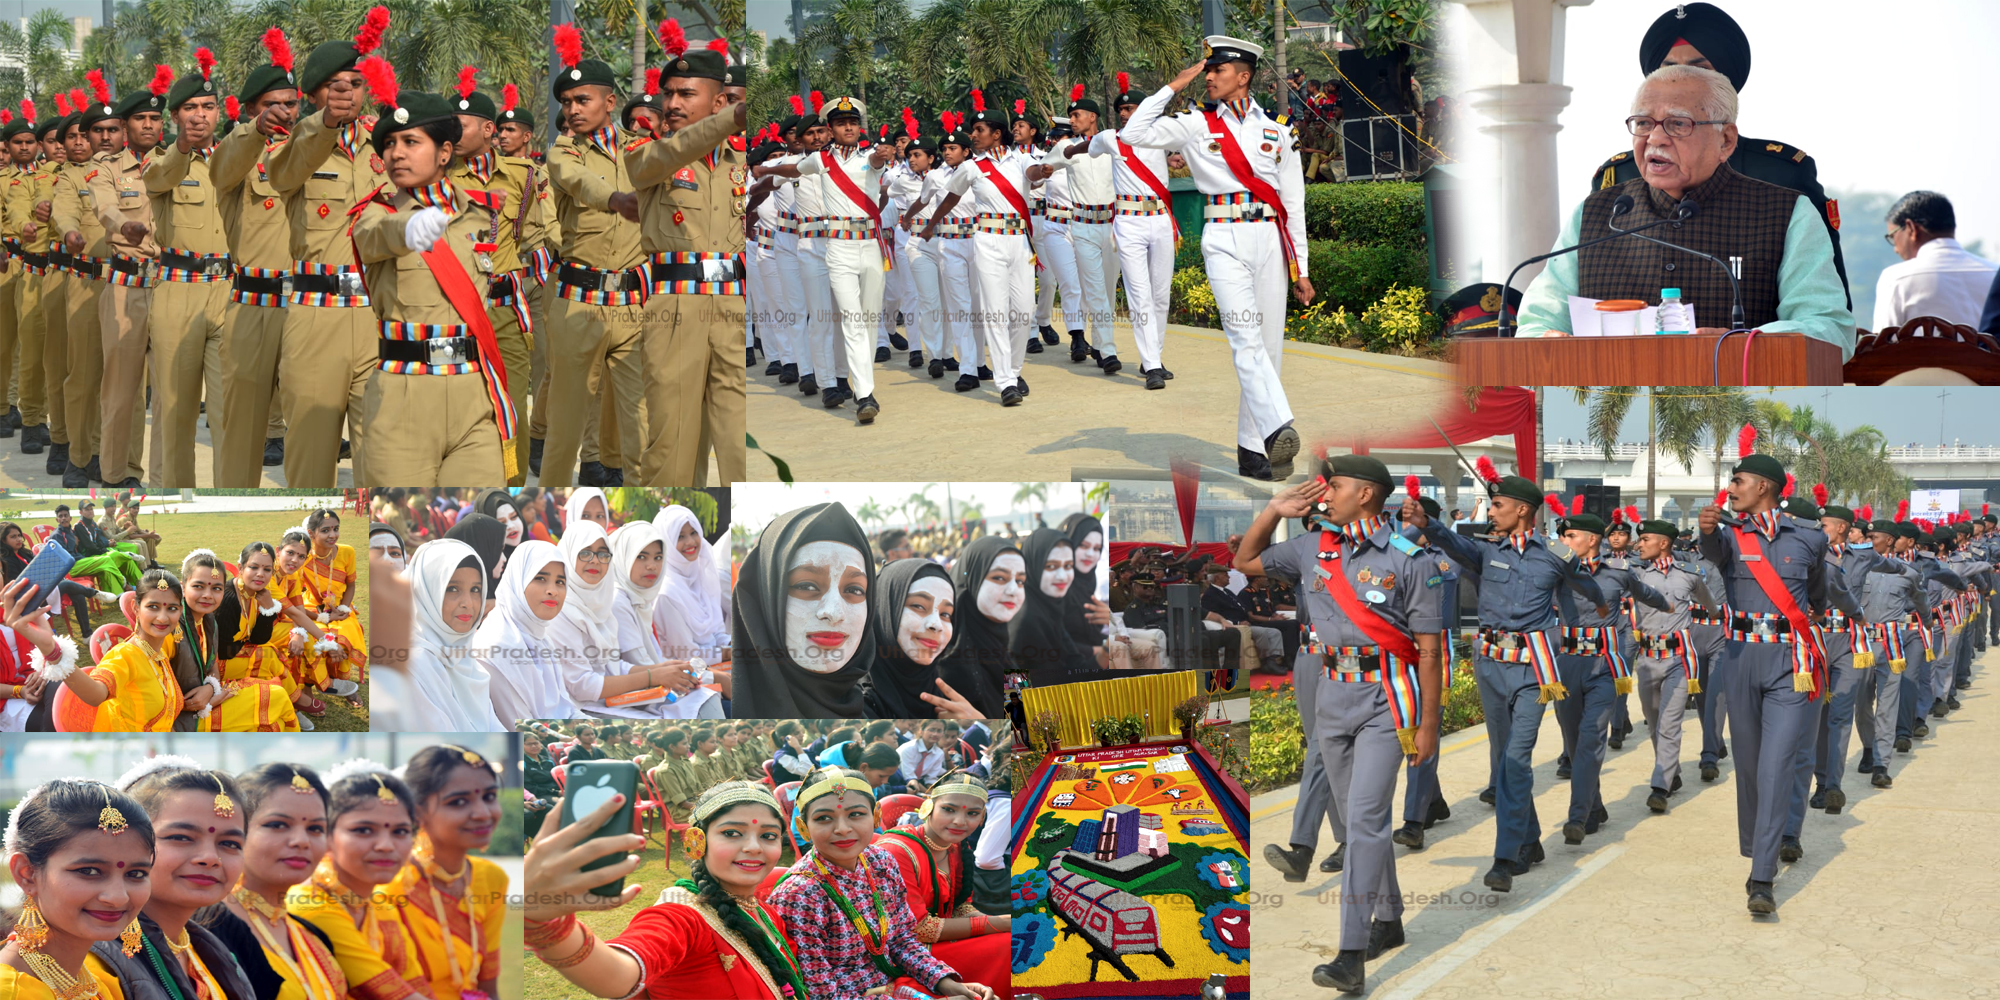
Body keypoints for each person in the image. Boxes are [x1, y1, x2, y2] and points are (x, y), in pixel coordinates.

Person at [1236, 458, 1444, 994]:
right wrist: (1273, 510)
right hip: (1332, 694)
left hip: (1386, 700)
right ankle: (1391, 918)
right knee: (1357, 825)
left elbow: (1429, 650)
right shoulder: (1312, 546)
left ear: (1368, 494)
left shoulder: (1410, 560)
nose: (1325, 492)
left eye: (1338, 485)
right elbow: (1246, 560)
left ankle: (1351, 954)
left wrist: (1428, 725)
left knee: (1368, 819)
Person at [1517, 64, 1852, 351]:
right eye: (1644, 123)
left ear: (1726, 141)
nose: (1655, 139)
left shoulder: (1785, 213)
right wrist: (1549, 342)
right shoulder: (1597, 214)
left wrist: (1746, 344)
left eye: (1678, 124)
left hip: (1741, 419)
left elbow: (1830, 331)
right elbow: (1536, 325)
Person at [1404, 467, 1605, 893]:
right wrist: (1428, 524)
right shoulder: (1485, 551)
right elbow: (1453, 543)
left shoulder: (1554, 554)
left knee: (1516, 761)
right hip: (1491, 666)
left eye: (1497, 506)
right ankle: (1529, 841)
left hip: (1534, 672)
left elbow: (1591, 588)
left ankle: (1505, 856)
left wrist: (1605, 613)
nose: (1491, 512)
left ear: (1522, 510)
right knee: (1504, 761)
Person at [1117, 40, 1308, 478]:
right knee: (1245, 338)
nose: (1208, 76)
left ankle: (1253, 450)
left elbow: (1293, 202)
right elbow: (1134, 133)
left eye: (1217, 70)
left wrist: (1303, 268)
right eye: (1206, 71)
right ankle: (1279, 425)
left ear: (1243, 76)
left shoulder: (1279, 129)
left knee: (1269, 349)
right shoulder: (1195, 123)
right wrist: (1174, 84)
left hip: (1270, 238)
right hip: (1223, 238)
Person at [1587, 3, 1851, 308]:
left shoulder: (1781, 173)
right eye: (1668, 69)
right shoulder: (1619, 178)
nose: (1681, 78)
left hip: (1748, 353)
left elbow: (1824, 313)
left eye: (1699, 69)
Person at [1695, 429, 1857, 914]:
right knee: (1747, 766)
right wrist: (1705, 529)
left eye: (1738, 480)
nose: (1732, 488)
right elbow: (1711, 554)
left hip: (1792, 665)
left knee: (1775, 765)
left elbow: (1816, 595)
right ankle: (1758, 845)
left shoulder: (1808, 539)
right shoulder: (1727, 534)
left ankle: (1761, 875)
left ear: (1764, 486)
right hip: (1741, 660)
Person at [525, 781, 809, 999]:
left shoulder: (764, 911)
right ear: (697, 841)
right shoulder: (681, 917)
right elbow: (618, 975)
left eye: (768, 836)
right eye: (732, 833)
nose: (754, 847)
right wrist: (545, 924)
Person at [267, 11, 394, 486]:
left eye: (356, 84)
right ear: (315, 93)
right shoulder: (299, 140)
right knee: (311, 457)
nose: (347, 93)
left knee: (380, 455)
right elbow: (283, 175)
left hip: (378, 312)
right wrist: (323, 124)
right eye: (335, 85)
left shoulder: (387, 146)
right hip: (318, 315)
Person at [766, 768, 994, 1000]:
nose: (843, 828)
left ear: (875, 816)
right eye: (823, 818)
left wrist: (945, 982)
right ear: (803, 827)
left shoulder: (880, 861)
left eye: (856, 814)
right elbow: (819, 993)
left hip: (894, 984)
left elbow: (902, 939)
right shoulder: (800, 894)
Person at [631, 34, 747, 481]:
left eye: (686, 93)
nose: (673, 102)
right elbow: (671, 153)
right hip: (676, 307)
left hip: (733, 305)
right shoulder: (649, 150)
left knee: (737, 438)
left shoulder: (740, 158)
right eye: (669, 93)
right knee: (674, 442)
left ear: (718, 99)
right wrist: (728, 121)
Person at [543, 27, 645, 487]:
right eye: (566, 102)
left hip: (634, 306)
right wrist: (617, 200)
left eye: (582, 100)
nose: (572, 109)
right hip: (578, 304)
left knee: (641, 425)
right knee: (565, 428)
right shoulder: (563, 151)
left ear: (609, 101)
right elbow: (581, 182)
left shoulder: (641, 150)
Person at [212, 28, 302, 486]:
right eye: (273, 104)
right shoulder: (239, 154)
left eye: (292, 102)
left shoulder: (313, 150)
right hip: (255, 303)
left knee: (312, 430)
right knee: (242, 431)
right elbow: (223, 167)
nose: (285, 112)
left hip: (311, 304)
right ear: (251, 110)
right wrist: (253, 132)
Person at [1547, 507, 1669, 843]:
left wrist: (1668, 605)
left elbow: (1646, 594)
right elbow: (1541, 550)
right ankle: (1595, 805)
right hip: (1567, 663)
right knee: (1573, 742)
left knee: (1590, 739)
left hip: (1604, 665)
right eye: (1563, 536)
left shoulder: (1618, 571)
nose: (1564, 541)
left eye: (1570, 536)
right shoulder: (1559, 570)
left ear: (1591, 540)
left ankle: (1577, 815)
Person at [91, 758, 258, 1000]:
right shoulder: (94, 963)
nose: (210, 858)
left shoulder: (212, 953)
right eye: (181, 837)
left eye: (230, 843)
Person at [285, 761, 432, 1000]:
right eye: (364, 830)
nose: (385, 846)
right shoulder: (310, 905)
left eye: (401, 831)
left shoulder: (381, 908)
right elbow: (394, 994)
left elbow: (416, 986)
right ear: (327, 835)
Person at [0, 779, 157, 1000]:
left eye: (136, 874)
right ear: (27, 873)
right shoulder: (10, 991)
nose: (118, 897)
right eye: (89, 871)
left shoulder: (101, 986)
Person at [731, 503, 876, 718]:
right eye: (807, 586)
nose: (834, 612)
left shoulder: (871, 713)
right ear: (766, 598)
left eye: (854, 589)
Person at [385, 745, 506, 1000]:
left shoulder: (491, 878)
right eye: (459, 802)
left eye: (490, 796)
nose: (483, 813)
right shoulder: (389, 886)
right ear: (417, 812)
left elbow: (488, 984)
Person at [875, 773, 1011, 997]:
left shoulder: (954, 846)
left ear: (983, 816)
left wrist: (994, 924)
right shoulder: (897, 851)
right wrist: (999, 923)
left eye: (973, 813)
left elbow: (960, 906)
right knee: (1007, 944)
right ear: (929, 806)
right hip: (903, 952)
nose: (960, 821)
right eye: (949, 809)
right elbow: (920, 929)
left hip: (934, 941)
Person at [1628, 519, 1715, 812]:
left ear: (1664, 543)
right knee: (1653, 721)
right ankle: (1671, 772)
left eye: (1645, 539)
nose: (1639, 544)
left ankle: (1659, 786)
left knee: (1669, 722)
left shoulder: (1689, 575)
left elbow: (1710, 605)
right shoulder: (1635, 574)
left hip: (1679, 660)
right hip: (1647, 660)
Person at [610, 521, 719, 718]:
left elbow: (656, 661)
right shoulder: (618, 600)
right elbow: (642, 665)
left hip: (657, 690)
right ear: (624, 557)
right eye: (641, 556)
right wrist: (709, 674)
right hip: (635, 698)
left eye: (658, 557)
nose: (652, 565)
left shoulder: (640, 598)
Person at [399, 537, 504, 730]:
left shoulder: (463, 654)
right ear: (425, 592)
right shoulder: (413, 664)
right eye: (452, 589)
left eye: (475, 590)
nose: (468, 603)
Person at [474, 538, 572, 727]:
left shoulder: (539, 635)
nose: (553, 590)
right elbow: (521, 727)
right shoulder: (497, 647)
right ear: (517, 581)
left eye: (560, 582)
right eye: (540, 578)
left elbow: (565, 707)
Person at [1873, 191, 1995, 331]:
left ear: (1911, 228)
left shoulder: (1896, 278)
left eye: (1893, 236)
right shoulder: (1994, 272)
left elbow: (1883, 346)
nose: (1895, 249)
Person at [860, 559, 961, 719]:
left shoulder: (940, 686)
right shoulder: (856, 702)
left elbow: (1016, 733)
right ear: (885, 607)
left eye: (946, 614)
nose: (936, 624)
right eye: (918, 606)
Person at [934, 536, 1023, 718]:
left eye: (1020, 581)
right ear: (972, 580)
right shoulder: (951, 664)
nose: (1013, 590)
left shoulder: (1001, 645)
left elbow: (1022, 720)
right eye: (999, 577)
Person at [1006, 527, 1096, 681]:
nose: (1062, 576)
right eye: (1051, 567)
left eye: (1068, 566)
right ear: (1032, 566)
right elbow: (1014, 697)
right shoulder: (1024, 621)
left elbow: (1075, 664)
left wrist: (1108, 650)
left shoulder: (1050, 608)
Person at [652, 504, 731, 663]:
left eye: (694, 533)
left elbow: (714, 633)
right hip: (688, 677)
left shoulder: (701, 576)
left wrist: (733, 644)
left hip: (713, 667)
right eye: (680, 536)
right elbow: (688, 656)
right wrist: (728, 654)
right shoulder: (666, 594)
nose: (690, 542)